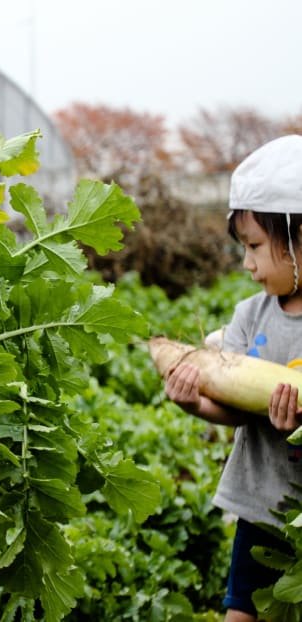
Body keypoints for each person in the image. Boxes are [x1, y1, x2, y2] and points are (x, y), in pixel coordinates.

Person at [164, 134, 302, 622]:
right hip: (260, 510)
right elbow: (236, 409)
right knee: (241, 614)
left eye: (256, 247)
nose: (246, 263)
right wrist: (193, 402)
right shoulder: (250, 314)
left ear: (298, 237)